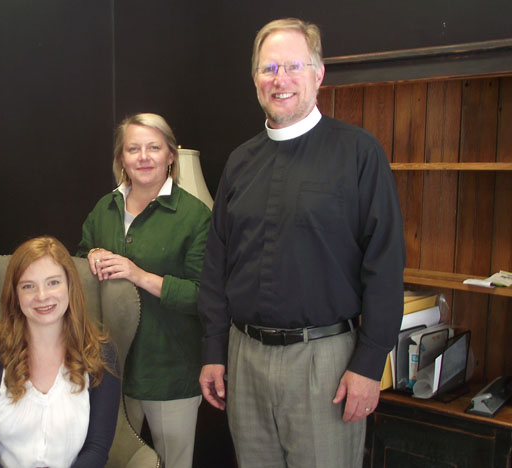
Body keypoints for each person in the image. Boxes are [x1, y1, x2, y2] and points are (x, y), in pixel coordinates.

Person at [198, 18, 405, 468]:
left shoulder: (359, 153)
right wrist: (214, 350)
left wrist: (370, 363)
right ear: (255, 79)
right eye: (269, 68)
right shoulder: (240, 162)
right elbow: (216, 264)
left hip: (326, 365)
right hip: (244, 360)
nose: (281, 79)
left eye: (294, 66)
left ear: (318, 73)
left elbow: (385, 265)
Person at [76, 113, 211, 468]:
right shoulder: (104, 208)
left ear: (171, 156)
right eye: (133, 149)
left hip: (170, 370)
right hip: (111, 368)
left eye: (154, 147)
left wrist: (139, 275)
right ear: (121, 158)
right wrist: (91, 256)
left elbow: (203, 296)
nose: (144, 157)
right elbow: (78, 266)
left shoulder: (195, 216)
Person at [0, 236, 120, 468]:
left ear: (70, 285)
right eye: (28, 286)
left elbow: (97, 450)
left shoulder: (101, 354)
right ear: (15, 294)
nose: (42, 296)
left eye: (53, 282)